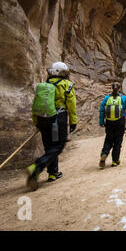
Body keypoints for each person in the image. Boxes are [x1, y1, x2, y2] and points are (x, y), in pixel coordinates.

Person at [26, 62, 78, 191]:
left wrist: (36, 121)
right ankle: (37, 166)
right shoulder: (66, 85)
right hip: (57, 119)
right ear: (62, 73)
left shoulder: (44, 85)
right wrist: (73, 121)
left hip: (43, 118)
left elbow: (35, 104)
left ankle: (53, 173)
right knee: (58, 145)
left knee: (49, 146)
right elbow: (71, 105)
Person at [99, 82, 126, 169]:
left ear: (112, 88)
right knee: (118, 142)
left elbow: (102, 109)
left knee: (109, 139)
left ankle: (104, 153)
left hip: (109, 122)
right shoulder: (124, 98)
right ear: (120, 88)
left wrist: (101, 121)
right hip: (120, 122)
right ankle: (115, 160)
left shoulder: (107, 98)